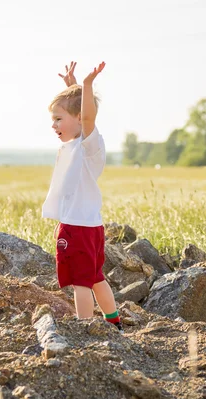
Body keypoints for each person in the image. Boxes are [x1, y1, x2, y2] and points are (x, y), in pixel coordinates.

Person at [42, 61, 122, 332]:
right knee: (96, 278)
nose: (53, 125)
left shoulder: (89, 146)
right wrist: (72, 86)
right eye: (52, 119)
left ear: (77, 118)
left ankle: (85, 328)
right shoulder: (74, 145)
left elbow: (86, 117)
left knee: (81, 283)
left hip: (80, 228)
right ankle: (115, 323)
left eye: (58, 119)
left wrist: (86, 85)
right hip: (87, 225)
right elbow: (78, 112)